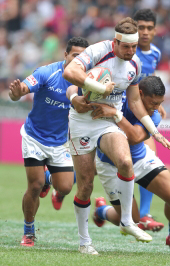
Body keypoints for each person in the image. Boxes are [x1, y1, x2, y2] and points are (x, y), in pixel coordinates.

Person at [63, 17, 170, 255]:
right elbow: (70, 72)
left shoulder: (135, 63)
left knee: (125, 162)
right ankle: (85, 242)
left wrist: (154, 131)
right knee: (85, 186)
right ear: (116, 42)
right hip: (82, 121)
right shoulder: (97, 51)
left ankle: (127, 221)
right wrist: (96, 88)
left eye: (134, 47)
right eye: (126, 46)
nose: (131, 51)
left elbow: (134, 101)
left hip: (107, 121)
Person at [92, 76, 170, 256]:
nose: (157, 108)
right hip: (111, 166)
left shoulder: (153, 115)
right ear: (139, 94)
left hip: (139, 159)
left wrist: (114, 114)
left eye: (160, 103)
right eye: (153, 102)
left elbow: (134, 137)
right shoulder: (117, 100)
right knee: (133, 220)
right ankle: (101, 211)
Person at [8, 37, 90, 247]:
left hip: (59, 142)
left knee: (65, 187)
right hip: (34, 137)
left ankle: (47, 177)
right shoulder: (48, 72)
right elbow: (25, 88)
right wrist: (18, 93)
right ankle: (28, 231)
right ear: (65, 55)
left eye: (82, 57)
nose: (78, 60)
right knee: (34, 187)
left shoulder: (87, 81)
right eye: (74, 55)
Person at [133, 8, 166, 231]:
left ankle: (144, 214)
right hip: (122, 113)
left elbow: (148, 84)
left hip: (141, 115)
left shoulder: (155, 53)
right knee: (93, 166)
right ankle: (58, 180)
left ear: (155, 30)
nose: (144, 32)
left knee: (149, 158)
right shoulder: (127, 52)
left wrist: (157, 104)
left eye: (149, 28)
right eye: (140, 28)